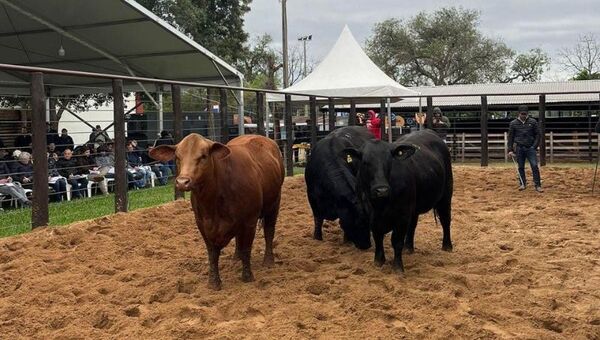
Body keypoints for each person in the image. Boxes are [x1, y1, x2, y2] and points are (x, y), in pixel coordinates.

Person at [508, 105, 543, 193]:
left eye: (525, 114)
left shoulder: (533, 122)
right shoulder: (513, 123)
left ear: (527, 113)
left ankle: (538, 185)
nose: (523, 115)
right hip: (519, 148)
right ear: (518, 113)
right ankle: (522, 183)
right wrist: (510, 149)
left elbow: (538, 135)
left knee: (534, 166)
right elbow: (510, 137)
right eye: (522, 114)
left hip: (530, 148)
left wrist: (534, 146)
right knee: (520, 167)